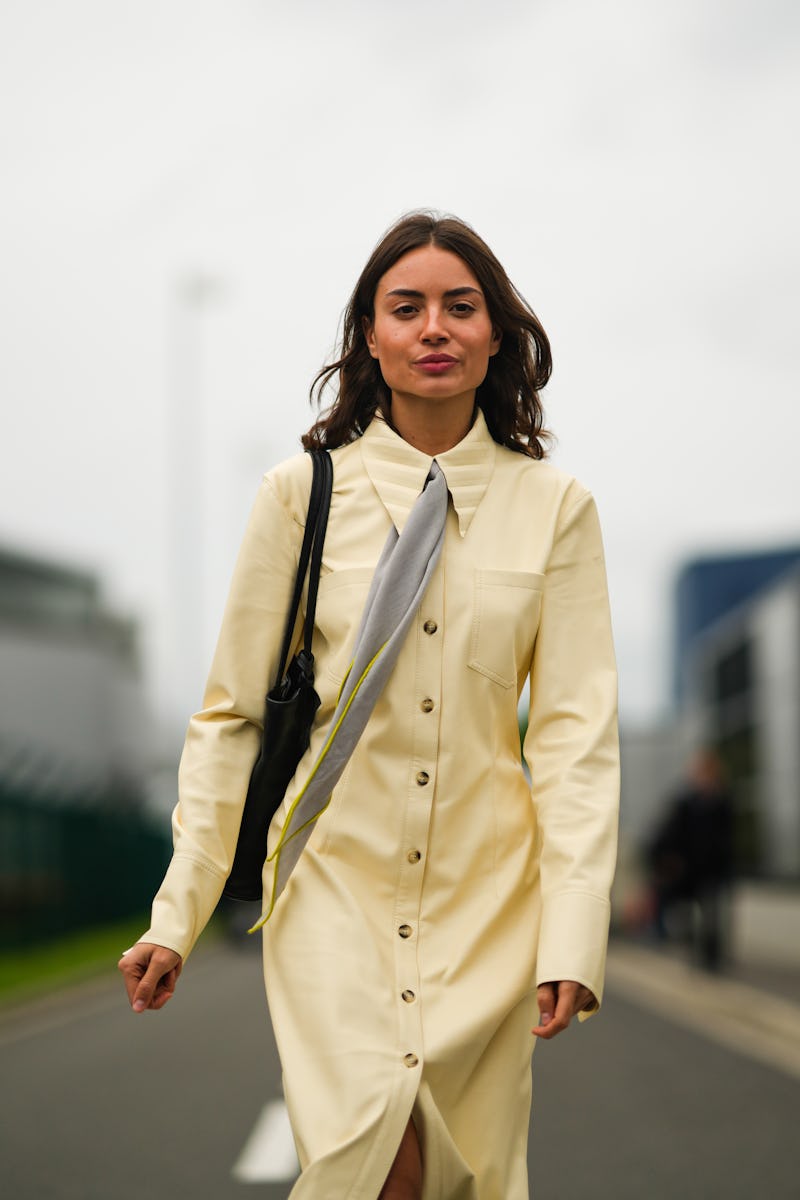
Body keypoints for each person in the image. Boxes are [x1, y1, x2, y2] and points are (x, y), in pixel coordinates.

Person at [119, 211, 619, 1199]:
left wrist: (570, 933)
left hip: (489, 905)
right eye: (406, 308)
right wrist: (179, 912)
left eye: (458, 306)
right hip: (333, 893)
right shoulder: (295, 499)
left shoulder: (555, 508)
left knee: (462, 1178)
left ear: (494, 337)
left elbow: (573, 741)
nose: (433, 327)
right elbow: (230, 719)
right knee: (373, 1167)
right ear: (370, 339)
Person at [647, 748, 734, 970]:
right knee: (691, 914)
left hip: (714, 870)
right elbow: (673, 834)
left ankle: (712, 957)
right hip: (692, 871)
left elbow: (727, 837)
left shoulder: (721, 800)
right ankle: (699, 953)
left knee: (713, 914)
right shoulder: (687, 802)